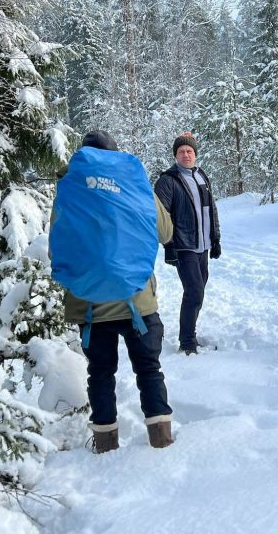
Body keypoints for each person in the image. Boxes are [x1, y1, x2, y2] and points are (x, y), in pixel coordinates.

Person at [55, 130, 175, 454]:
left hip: (90, 305)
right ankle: (161, 440)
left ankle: (106, 445)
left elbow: (58, 245)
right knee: (149, 369)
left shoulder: (71, 186)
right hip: (138, 300)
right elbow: (165, 232)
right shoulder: (133, 182)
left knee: (100, 374)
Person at [154, 132, 221, 355]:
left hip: (203, 245)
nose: (186, 154)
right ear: (175, 155)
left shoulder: (201, 175)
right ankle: (187, 342)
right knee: (194, 292)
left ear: (195, 154)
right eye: (181, 151)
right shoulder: (168, 181)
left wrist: (216, 238)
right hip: (184, 246)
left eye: (189, 151)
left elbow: (211, 210)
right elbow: (160, 215)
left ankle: (189, 335)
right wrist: (169, 245)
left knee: (199, 290)